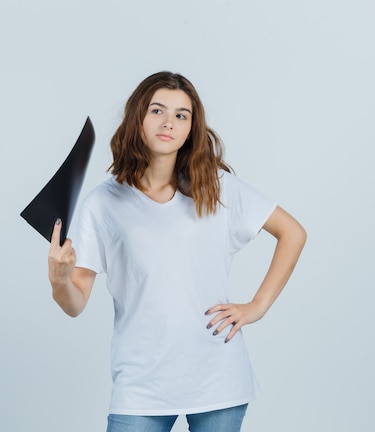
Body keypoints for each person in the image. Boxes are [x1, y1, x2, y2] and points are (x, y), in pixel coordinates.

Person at [47, 71, 306, 432]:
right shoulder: (103, 204)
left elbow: (292, 232)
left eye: (181, 115)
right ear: (138, 117)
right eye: (157, 110)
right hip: (141, 384)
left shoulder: (217, 188)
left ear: (191, 129)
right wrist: (60, 280)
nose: (168, 122)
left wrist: (257, 306)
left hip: (218, 378)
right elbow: (75, 303)